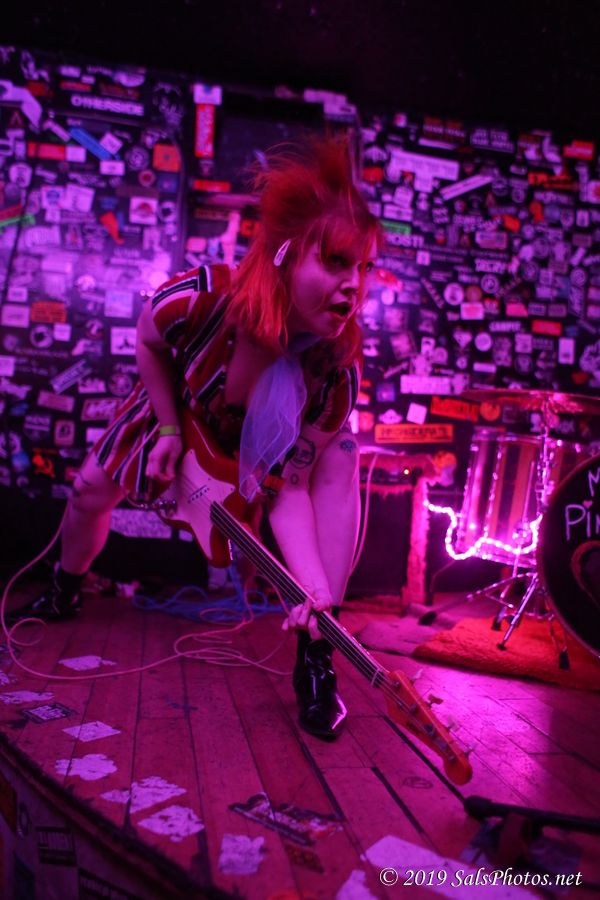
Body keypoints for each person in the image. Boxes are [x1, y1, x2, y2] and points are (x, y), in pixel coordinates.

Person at [10, 138, 381, 740]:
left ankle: (318, 654)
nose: (353, 286)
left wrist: (313, 589)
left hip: (253, 459)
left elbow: (292, 488)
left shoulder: (334, 370)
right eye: (337, 262)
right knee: (87, 494)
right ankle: (65, 588)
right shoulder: (203, 296)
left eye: (363, 268)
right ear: (285, 254)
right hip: (176, 409)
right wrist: (163, 427)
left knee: (342, 452)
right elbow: (147, 341)